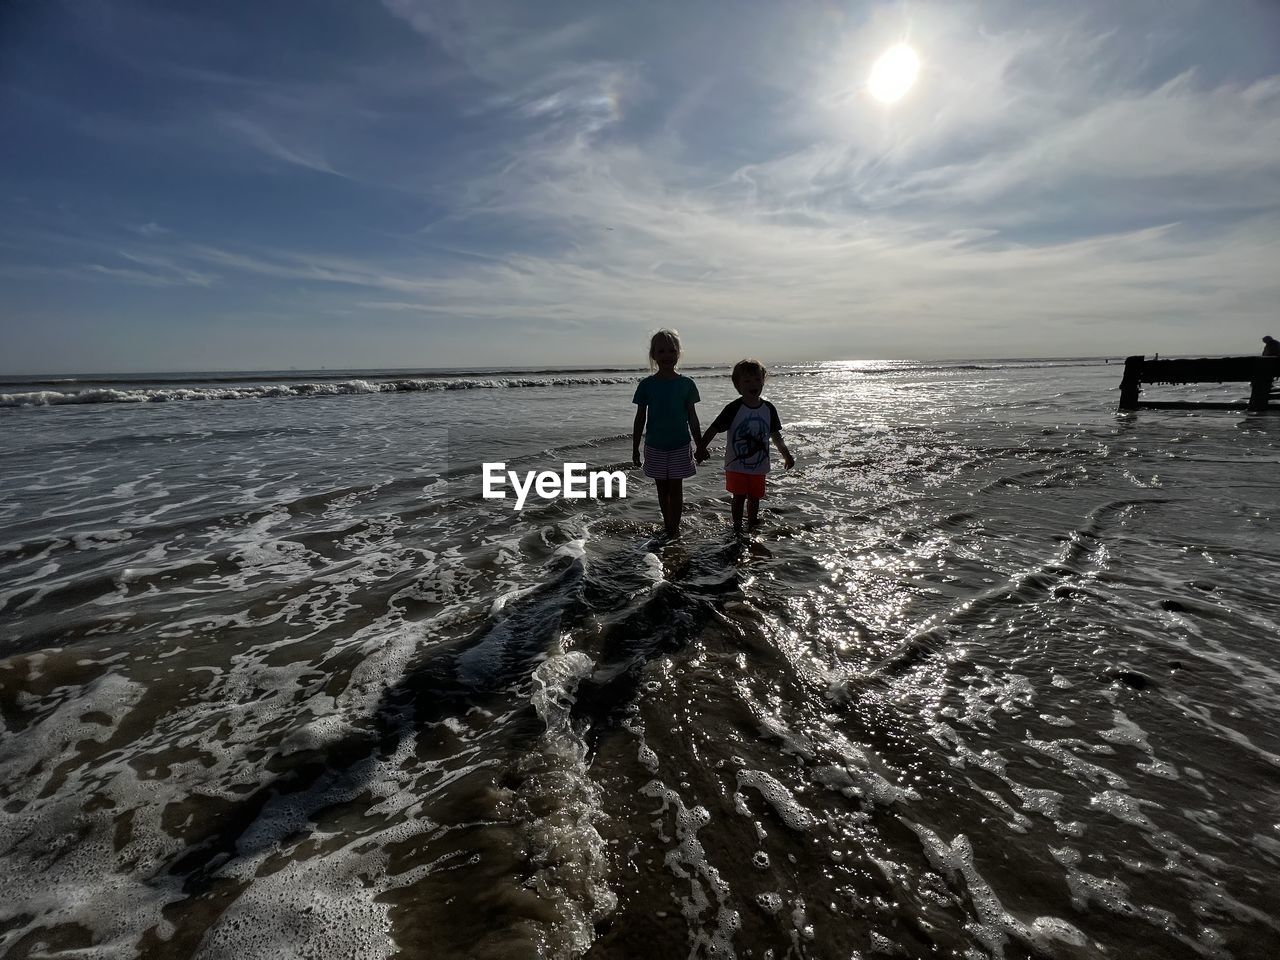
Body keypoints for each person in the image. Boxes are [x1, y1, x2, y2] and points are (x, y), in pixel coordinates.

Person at [698, 358, 794, 532]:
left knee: (755, 497)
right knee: (738, 497)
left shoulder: (768, 409)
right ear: (738, 385)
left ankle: (751, 524)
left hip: (759, 465)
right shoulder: (733, 408)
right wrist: (701, 447)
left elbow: (775, 435)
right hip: (736, 465)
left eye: (757, 379)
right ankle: (736, 525)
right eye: (747, 380)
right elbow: (714, 428)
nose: (753, 384)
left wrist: (786, 455)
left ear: (763, 381)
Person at [632, 329, 703, 538]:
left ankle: (674, 528)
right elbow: (639, 419)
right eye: (661, 351)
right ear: (653, 355)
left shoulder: (686, 384)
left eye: (671, 351)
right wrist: (635, 448)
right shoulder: (647, 385)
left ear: (678, 354)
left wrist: (700, 444)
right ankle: (667, 523)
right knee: (662, 490)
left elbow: (693, 417)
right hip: (655, 445)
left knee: (676, 488)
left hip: (680, 444)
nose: (666, 355)